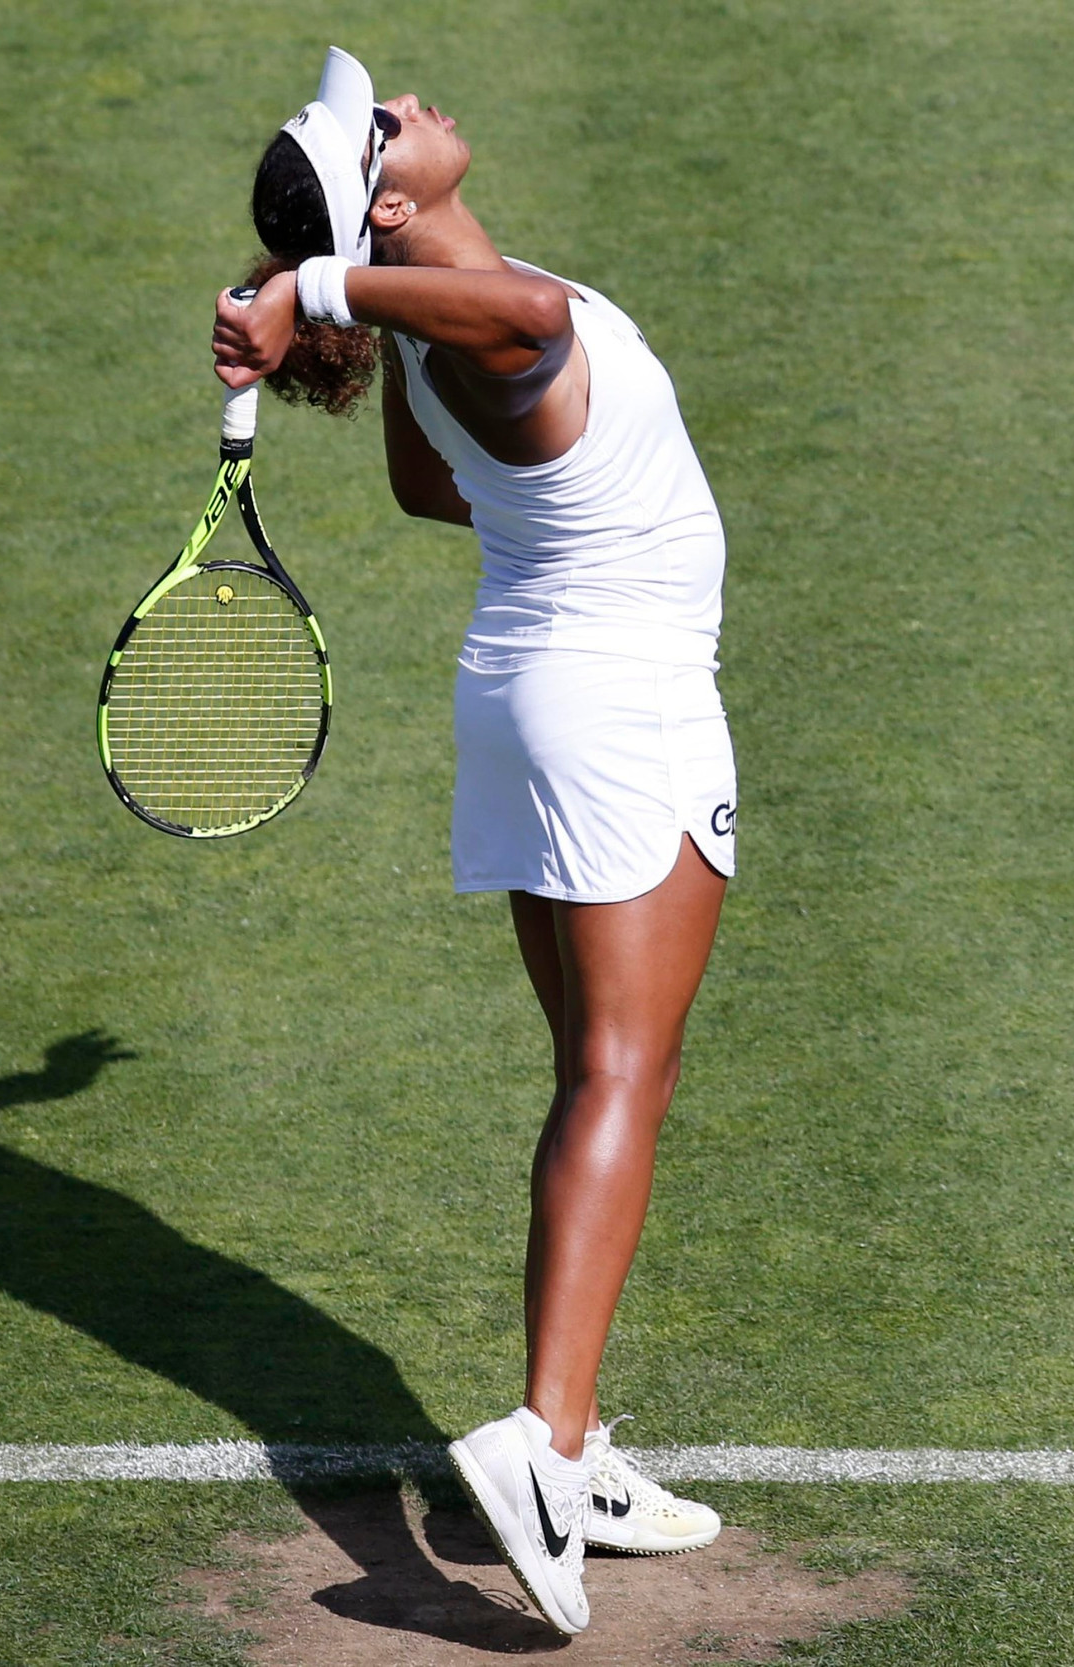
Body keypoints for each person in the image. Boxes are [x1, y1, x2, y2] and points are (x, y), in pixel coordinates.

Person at [210, 48, 735, 1637]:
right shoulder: (490, 320)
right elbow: (538, 331)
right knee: (622, 1077)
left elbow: (438, 490)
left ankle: (572, 1445)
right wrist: (329, 287)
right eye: (381, 124)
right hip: (621, 704)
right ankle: (540, 1441)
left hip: (524, 690)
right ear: (381, 195)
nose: (413, 102)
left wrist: (345, 298)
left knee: (593, 1070)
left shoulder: (450, 329)